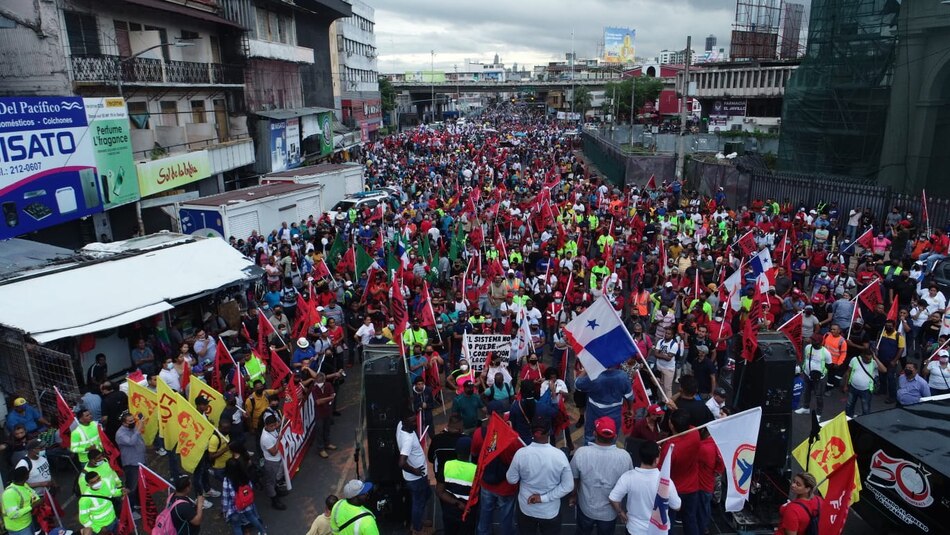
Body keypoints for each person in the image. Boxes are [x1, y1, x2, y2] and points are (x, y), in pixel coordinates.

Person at [505, 415, 574, 535]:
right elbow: (568, 486)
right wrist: (543, 498)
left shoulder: (521, 454)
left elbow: (511, 479)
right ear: (550, 432)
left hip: (526, 509)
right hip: (549, 511)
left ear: (531, 431)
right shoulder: (560, 456)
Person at [569, 417, 633, 535]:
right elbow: (629, 484)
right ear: (615, 436)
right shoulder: (625, 456)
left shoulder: (581, 453)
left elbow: (575, 480)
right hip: (610, 512)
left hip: (586, 508)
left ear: (594, 433)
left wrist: (573, 496)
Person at [608, 441, 682, 535]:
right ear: (656, 460)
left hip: (634, 529)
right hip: (658, 530)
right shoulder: (666, 482)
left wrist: (620, 512)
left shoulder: (628, 477)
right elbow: (676, 506)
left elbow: (613, 498)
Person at [574, 363, 633, 445]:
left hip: (594, 416)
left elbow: (577, 384)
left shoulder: (594, 377)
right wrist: (630, 409)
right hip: (614, 416)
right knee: (611, 438)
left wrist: (586, 370)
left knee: (590, 438)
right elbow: (629, 397)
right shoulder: (623, 376)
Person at [663, 410, 701, 535]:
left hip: (674, 490)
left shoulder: (670, 447)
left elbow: (661, 469)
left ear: (672, 425)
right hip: (692, 487)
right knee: (690, 520)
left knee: (668, 522)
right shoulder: (695, 432)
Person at [436, 436, 478, 534]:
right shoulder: (476, 470)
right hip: (468, 514)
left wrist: (457, 503)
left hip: (449, 513)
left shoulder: (447, 465)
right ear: (470, 451)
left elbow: (439, 491)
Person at [397, 414, 429, 535]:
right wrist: (415, 471)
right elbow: (401, 462)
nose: (416, 423)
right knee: (418, 502)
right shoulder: (408, 440)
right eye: (412, 422)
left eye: (415, 420)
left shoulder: (400, 426)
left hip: (415, 477)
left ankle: (418, 520)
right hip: (416, 478)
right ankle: (417, 529)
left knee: (425, 495)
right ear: (404, 422)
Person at [220, 458, 266, 535]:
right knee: (253, 518)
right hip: (246, 504)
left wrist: (224, 510)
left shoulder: (227, 480)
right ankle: (263, 532)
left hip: (234, 509)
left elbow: (225, 497)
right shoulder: (245, 476)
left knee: (237, 526)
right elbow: (250, 488)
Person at [795, 335, 833, 416]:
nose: (812, 342)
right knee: (806, 391)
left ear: (820, 343)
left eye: (814, 341)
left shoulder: (826, 353)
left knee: (819, 395)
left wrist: (819, 373)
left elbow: (829, 365)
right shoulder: (808, 347)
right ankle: (806, 408)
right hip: (807, 374)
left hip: (819, 378)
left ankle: (819, 413)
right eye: (812, 340)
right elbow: (806, 358)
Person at [114, 412, 146, 507]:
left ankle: (139, 502)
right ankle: (131, 507)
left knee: (141, 484)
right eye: (130, 421)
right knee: (132, 486)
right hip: (132, 464)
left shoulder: (132, 428)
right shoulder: (120, 434)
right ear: (124, 423)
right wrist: (138, 430)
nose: (133, 422)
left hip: (140, 460)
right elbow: (131, 442)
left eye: (133, 420)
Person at [843, 349, 886, 418]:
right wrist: (845, 385)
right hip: (853, 388)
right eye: (867, 359)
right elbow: (848, 372)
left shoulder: (873, 362)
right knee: (849, 406)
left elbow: (884, 370)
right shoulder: (855, 360)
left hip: (866, 391)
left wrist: (875, 358)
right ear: (862, 356)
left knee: (866, 409)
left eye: (870, 359)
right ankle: (848, 419)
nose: (869, 361)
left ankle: (865, 421)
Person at [259, 416, 287, 510]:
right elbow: (274, 452)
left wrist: (285, 418)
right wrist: (279, 439)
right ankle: (274, 501)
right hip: (271, 462)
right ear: (266, 425)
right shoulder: (265, 438)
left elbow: (278, 425)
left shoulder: (271, 429)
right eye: (271, 426)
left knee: (274, 479)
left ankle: (277, 491)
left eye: (275, 425)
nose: (274, 427)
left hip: (277, 460)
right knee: (270, 482)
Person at [77, 471, 118, 535]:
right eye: (93, 482)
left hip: (114, 519)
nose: (97, 482)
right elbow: (83, 519)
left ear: (100, 477)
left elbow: (113, 492)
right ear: (88, 484)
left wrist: (121, 491)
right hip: (102, 528)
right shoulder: (85, 500)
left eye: (98, 479)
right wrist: (98, 529)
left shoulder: (106, 483)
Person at [2, 466, 38, 535]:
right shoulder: (9, 494)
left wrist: (36, 500)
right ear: (26, 476)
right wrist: (31, 507)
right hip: (19, 528)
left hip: (28, 523)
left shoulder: (24, 485)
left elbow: (34, 495)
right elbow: (13, 514)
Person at [312, 372, 337, 459]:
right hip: (319, 414)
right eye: (318, 381)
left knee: (327, 428)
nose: (319, 383)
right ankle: (321, 448)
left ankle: (327, 443)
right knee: (319, 430)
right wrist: (330, 398)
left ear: (324, 380)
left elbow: (332, 394)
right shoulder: (314, 389)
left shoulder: (328, 385)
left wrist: (326, 399)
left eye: (321, 381)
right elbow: (318, 402)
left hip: (327, 411)